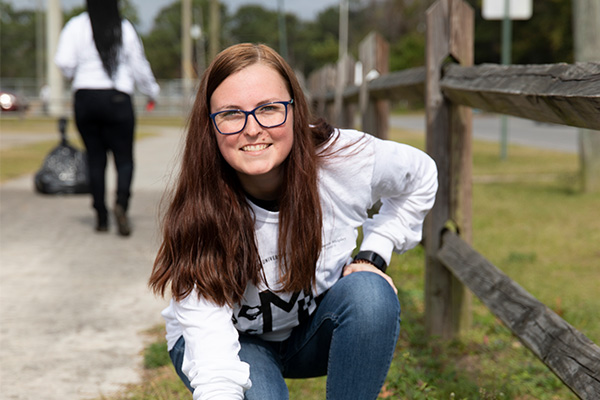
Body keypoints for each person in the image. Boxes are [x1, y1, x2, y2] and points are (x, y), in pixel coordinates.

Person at [149, 43, 438, 400]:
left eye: (269, 109)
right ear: (209, 125)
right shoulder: (200, 211)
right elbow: (216, 370)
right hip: (233, 343)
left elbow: (422, 175)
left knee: (370, 296)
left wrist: (374, 253)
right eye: (231, 114)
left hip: (308, 333)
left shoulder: (341, 161)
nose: (252, 129)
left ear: (295, 110)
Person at [54, 0, 159, 236]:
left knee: (95, 159)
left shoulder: (76, 26)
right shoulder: (123, 27)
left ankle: (100, 215)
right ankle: (121, 204)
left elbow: (64, 62)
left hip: (85, 97)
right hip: (117, 98)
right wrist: (152, 91)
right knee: (123, 159)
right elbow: (139, 65)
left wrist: (78, 75)